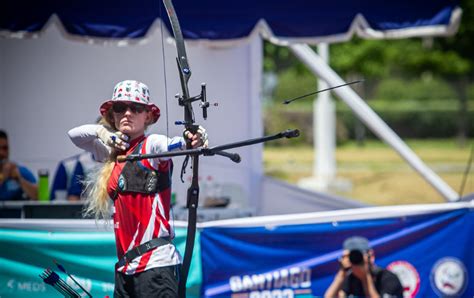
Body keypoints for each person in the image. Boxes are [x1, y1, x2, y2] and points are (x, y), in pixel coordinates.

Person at [68, 80, 208, 297]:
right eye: (120, 108)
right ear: (112, 116)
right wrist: (101, 132)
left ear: (148, 116)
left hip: (156, 266)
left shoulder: (151, 144)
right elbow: (74, 135)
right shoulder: (111, 153)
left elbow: (172, 144)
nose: (127, 113)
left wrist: (191, 141)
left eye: (136, 108)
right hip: (126, 268)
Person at [324, 236, 403, 298]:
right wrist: (342, 272)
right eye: (350, 256)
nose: (355, 259)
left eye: (358, 256)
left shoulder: (387, 278)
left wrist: (365, 277)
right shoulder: (349, 278)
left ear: (371, 256)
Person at [0, 130, 38, 201]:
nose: (1, 153)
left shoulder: (19, 171)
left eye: (5, 148)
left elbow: (38, 196)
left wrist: (19, 180)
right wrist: (3, 178)